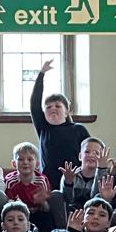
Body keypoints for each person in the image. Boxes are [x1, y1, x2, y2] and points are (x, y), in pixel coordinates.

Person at [30, 62, 90, 191]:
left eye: (58, 106)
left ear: (66, 111)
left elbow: (89, 153)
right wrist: (41, 74)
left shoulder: (78, 129)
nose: (53, 109)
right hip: (50, 186)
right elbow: (34, 103)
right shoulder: (44, 129)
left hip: (76, 184)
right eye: (48, 107)